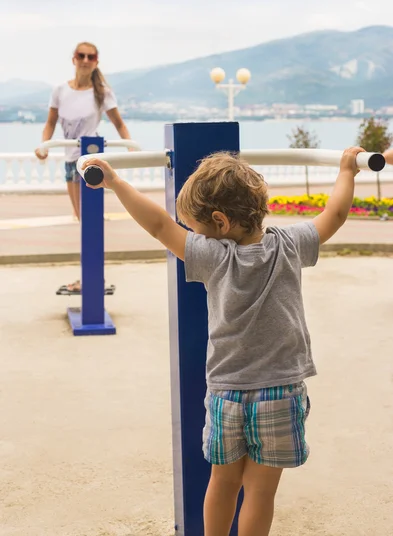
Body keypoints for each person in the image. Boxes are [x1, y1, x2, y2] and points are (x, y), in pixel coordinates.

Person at [82, 146, 364, 536]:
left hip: (227, 394)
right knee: (260, 494)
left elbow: (159, 226)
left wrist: (115, 182)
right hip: (281, 392)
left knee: (223, 483)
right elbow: (334, 215)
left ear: (219, 221)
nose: (193, 234)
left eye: (195, 226)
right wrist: (347, 171)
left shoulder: (213, 257)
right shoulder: (290, 244)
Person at [35, 41, 134, 292]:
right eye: (81, 55)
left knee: (91, 220)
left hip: (91, 161)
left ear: (96, 61)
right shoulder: (59, 90)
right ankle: (91, 278)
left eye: (91, 56)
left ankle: (94, 279)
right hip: (71, 162)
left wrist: (130, 145)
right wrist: (44, 145)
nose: (86, 60)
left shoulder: (102, 93)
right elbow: (50, 123)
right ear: (74, 59)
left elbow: (119, 124)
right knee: (83, 219)